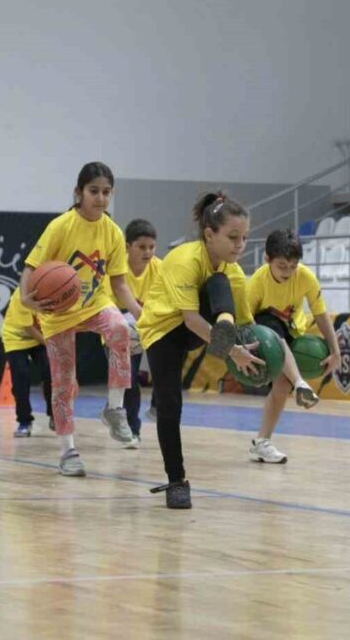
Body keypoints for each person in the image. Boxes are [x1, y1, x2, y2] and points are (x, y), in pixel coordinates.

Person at [137, 191, 264, 509]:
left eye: (245, 238)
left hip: (204, 327)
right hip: (163, 330)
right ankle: (177, 480)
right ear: (209, 234)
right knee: (170, 404)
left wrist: (263, 350)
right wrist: (232, 350)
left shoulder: (233, 270)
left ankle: (223, 324)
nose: (240, 244)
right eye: (233, 236)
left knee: (222, 280)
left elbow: (248, 322)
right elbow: (190, 319)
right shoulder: (184, 258)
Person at [19, 162, 141, 477]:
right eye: (94, 191)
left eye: (106, 192)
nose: (100, 198)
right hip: (58, 312)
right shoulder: (61, 226)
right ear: (78, 192)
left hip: (94, 303)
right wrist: (24, 297)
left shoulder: (113, 232)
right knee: (62, 384)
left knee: (119, 328)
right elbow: (32, 267)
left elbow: (119, 284)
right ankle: (68, 451)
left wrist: (143, 315)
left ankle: (114, 409)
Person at [244, 228, 338, 463]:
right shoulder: (256, 282)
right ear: (267, 260)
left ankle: (261, 442)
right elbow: (244, 322)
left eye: (292, 266)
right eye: (282, 265)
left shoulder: (305, 277)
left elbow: (321, 314)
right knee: (273, 331)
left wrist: (336, 351)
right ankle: (300, 383)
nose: (288, 272)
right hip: (260, 331)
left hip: (293, 330)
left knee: (282, 386)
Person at [113, 218, 162, 448]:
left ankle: (156, 405)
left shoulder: (160, 269)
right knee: (129, 380)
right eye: (142, 247)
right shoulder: (116, 267)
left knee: (166, 368)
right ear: (127, 247)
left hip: (150, 326)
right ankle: (133, 429)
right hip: (119, 330)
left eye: (152, 247)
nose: (148, 252)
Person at [1, 287, 52, 437]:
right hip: (15, 337)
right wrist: (52, 345)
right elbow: (28, 327)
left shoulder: (56, 289)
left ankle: (54, 414)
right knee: (21, 378)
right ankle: (24, 421)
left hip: (40, 337)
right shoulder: (22, 295)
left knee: (51, 372)